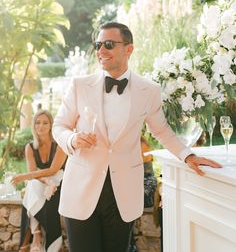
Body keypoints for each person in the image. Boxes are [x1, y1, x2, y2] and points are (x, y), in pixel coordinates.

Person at [52, 22, 222, 252]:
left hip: (122, 193)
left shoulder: (148, 90)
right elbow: (59, 126)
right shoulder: (79, 86)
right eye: (98, 45)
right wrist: (72, 139)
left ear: (128, 49)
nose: (101, 51)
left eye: (109, 45)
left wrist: (188, 156)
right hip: (81, 190)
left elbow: (161, 130)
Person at [11, 109, 67, 252]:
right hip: (42, 183)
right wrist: (46, 182)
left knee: (31, 187)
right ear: (33, 125)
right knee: (33, 185)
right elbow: (34, 175)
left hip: (60, 183)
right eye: (37, 122)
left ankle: (31, 239)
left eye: (45, 123)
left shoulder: (60, 145)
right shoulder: (30, 147)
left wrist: (24, 177)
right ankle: (37, 235)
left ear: (51, 125)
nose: (40, 126)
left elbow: (53, 170)